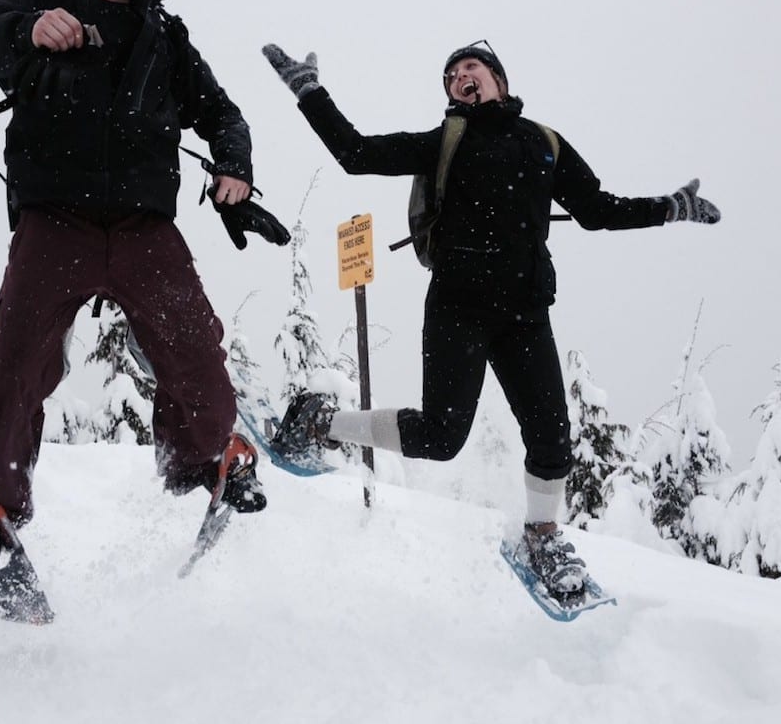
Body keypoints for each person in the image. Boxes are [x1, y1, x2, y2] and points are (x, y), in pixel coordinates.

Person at [262, 40, 720, 604]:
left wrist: (669, 207)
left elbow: (599, 211)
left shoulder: (545, 142)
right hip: (457, 307)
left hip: (525, 315)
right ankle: (317, 421)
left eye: (470, 68)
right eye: (451, 76)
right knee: (440, 438)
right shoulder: (445, 142)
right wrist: (309, 91)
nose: (460, 78)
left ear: (498, 77)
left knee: (553, 439)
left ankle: (541, 537)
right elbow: (355, 153)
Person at [0, 0, 277, 579]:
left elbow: (223, 114)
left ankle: (208, 454)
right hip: (57, 219)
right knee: (17, 352)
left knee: (192, 343)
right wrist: (24, 30)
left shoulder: (165, 34)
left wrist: (234, 166)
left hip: (144, 225)